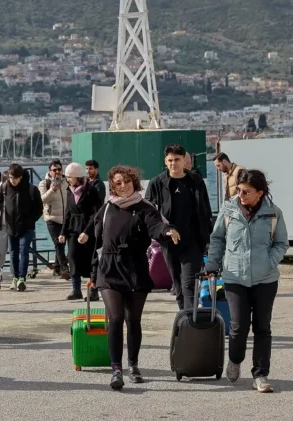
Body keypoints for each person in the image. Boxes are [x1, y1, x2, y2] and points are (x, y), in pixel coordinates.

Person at [89, 165, 180, 390]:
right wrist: (91, 267)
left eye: (127, 181)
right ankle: (116, 370)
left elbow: (156, 225)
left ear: (135, 181)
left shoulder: (144, 207)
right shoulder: (108, 206)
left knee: (133, 320)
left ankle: (133, 365)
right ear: (113, 186)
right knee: (116, 318)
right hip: (109, 269)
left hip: (135, 268)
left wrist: (167, 231)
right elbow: (96, 235)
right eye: (118, 183)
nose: (123, 186)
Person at [205, 169, 288, 393]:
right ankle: (235, 359)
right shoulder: (228, 210)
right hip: (234, 277)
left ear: (260, 193)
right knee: (239, 326)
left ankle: (260, 374)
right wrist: (212, 265)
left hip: (266, 279)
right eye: (239, 189)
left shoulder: (273, 213)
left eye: (246, 191)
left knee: (263, 327)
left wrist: (269, 262)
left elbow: (281, 243)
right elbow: (217, 239)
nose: (240, 194)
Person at [146, 144, 213, 310]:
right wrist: (162, 231)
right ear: (165, 161)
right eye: (170, 160)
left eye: (177, 159)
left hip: (193, 241)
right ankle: (185, 315)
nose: (173, 163)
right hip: (169, 242)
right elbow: (149, 213)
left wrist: (208, 236)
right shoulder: (157, 183)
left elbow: (206, 209)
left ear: (185, 160)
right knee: (177, 284)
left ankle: (190, 318)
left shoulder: (195, 182)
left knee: (189, 282)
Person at [0, 164, 43, 291]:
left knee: (24, 250)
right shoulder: (4, 187)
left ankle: (22, 278)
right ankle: (15, 277)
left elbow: (39, 209)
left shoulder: (31, 189)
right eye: (11, 177)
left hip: (27, 227)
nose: (13, 181)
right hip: (10, 225)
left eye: (16, 178)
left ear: (21, 177)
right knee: (13, 253)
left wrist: (31, 221)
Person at [59, 162, 101, 301]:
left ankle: (94, 290)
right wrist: (63, 232)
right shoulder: (69, 191)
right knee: (72, 257)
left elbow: (96, 214)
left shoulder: (91, 190)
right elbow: (68, 213)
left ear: (76, 177)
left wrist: (87, 232)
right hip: (73, 230)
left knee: (91, 260)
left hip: (89, 229)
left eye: (69, 177)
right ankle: (76, 289)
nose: (67, 179)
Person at [38, 160, 70, 279]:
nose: (57, 172)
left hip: (65, 217)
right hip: (51, 218)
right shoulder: (44, 183)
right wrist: (52, 189)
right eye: (54, 170)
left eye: (59, 170)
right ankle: (64, 268)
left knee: (63, 243)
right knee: (58, 243)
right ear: (49, 171)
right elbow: (42, 200)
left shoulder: (67, 182)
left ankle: (56, 267)